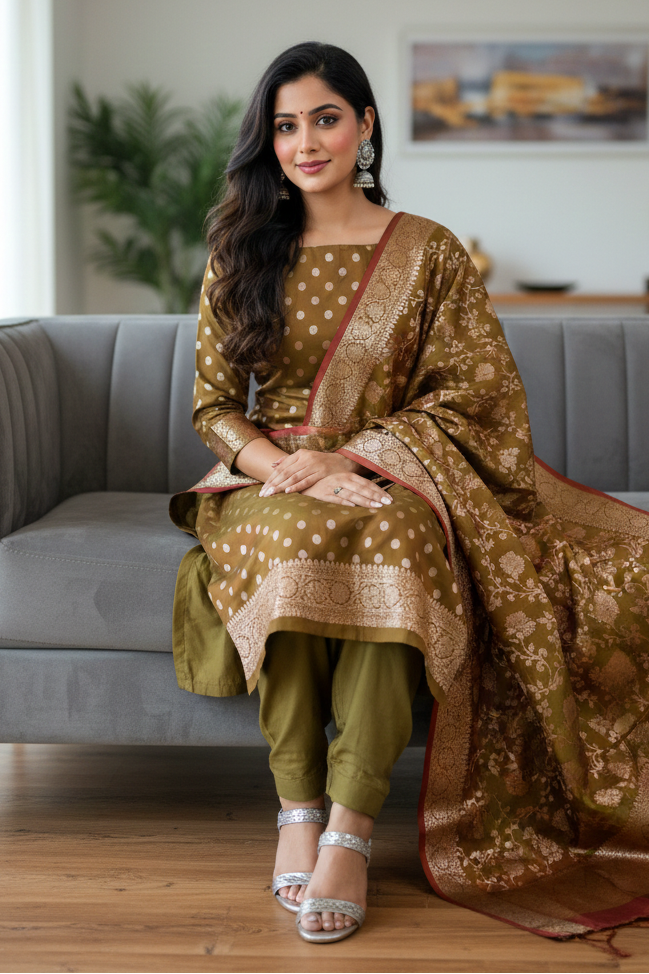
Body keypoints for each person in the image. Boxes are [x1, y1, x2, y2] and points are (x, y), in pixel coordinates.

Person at [171, 41, 649, 945]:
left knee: (395, 540)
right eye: (284, 126)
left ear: (365, 124)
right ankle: (296, 811)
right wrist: (284, 467)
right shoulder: (241, 249)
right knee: (307, 539)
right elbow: (209, 408)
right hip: (263, 478)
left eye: (324, 119)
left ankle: (348, 828)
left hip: (393, 473)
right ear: (266, 140)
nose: (304, 143)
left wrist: (364, 457)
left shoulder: (426, 252)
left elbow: (476, 397)